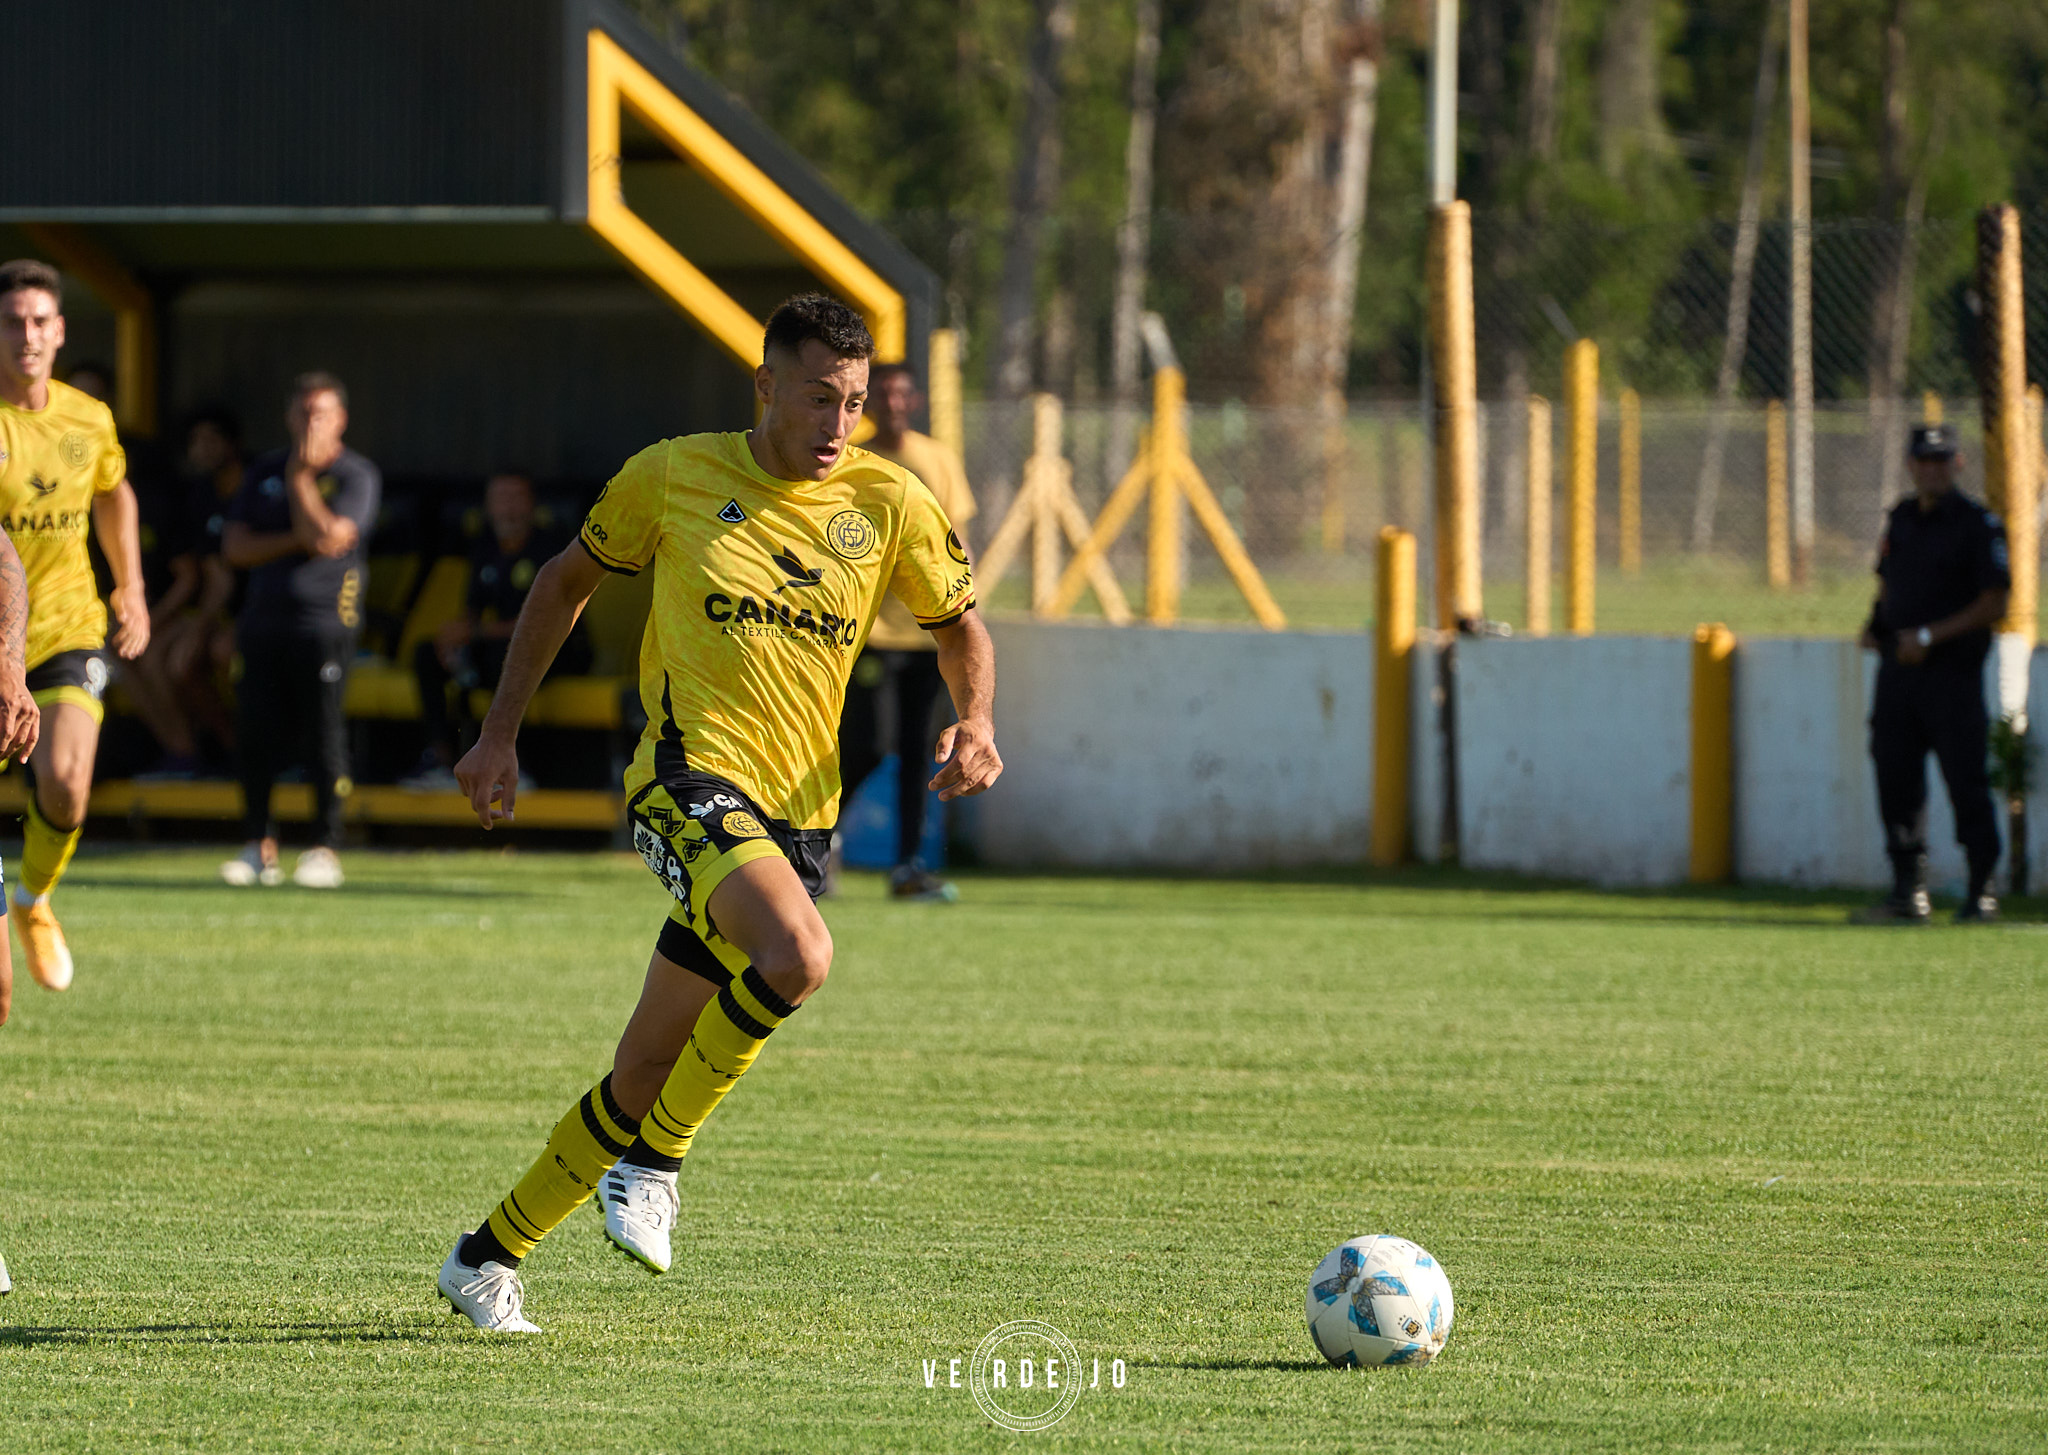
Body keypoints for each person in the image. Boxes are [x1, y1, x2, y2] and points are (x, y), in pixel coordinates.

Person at [435, 294, 1000, 1333]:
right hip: (684, 781)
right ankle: (653, 1167)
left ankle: (486, 1255)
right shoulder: (670, 475)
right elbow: (562, 586)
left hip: (795, 817)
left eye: (856, 404)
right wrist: (498, 731)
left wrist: (977, 722)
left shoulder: (888, 501)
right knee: (798, 954)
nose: (838, 427)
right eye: (821, 400)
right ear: (766, 385)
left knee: (646, 1069)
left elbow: (960, 628)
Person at [0, 261, 150, 993]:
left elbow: (114, 493)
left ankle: (32, 898)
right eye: (12, 321)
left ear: (60, 332)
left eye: (39, 321)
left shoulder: (87, 418)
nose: (26, 335)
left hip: (65, 626)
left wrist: (133, 586)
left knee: (64, 781)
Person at [219, 374, 381, 889]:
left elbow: (332, 538)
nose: (312, 422)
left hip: (325, 622)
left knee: (323, 735)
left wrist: (300, 481)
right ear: (289, 417)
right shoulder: (261, 470)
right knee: (256, 735)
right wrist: (296, 537)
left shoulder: (357, 475)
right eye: (304, 412)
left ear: (341, 420)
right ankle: (256, 845)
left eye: (322, 413)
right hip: (262, 621)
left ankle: (324, 845)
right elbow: (236, 548)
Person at [837, 363, 978, 900]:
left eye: (901, 394)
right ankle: (811, 841)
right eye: (883, 396)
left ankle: (908, 868)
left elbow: (956, 540)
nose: (892, 404)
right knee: (864, 746)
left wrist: (963, 613)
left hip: (926, 634)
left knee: (922, 750)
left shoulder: (937, 458)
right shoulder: (854, 460)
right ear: (870, 403)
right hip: (868, 632)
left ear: (913, 402)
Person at [1859, 423, 2010, 924]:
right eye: (1924, 460)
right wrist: (1876, 627)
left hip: (1952, 676)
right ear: (1910, 464)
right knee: (1895, 777)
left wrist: (1928, 637)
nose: (1932, 469)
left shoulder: (1977, 524)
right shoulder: (1901, 518)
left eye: (1941, 460)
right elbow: (1889, 586)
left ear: (1958, 464)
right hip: (1899, 675)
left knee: (1965, 780)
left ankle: (1981, 891)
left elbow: (1994, 602)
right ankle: (1908, 892)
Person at [399, 472, 590, 790]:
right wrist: (454, 636)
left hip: (560, 650)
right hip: (497, 646)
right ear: (488, 507)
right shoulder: (485, 548)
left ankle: (514, 763)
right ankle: (441, 760)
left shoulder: (553, 549)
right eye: (501, 499)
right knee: (429, 654)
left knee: (497, 660)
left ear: (532, 505)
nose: (509, 508)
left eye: (516, 498)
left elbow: (549, 619)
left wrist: (476, 633)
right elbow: (474, 612)